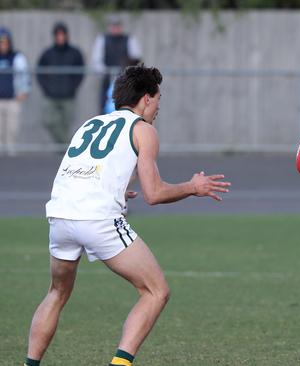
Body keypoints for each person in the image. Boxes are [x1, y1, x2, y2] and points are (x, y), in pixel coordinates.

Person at [23, 65, 231, 366]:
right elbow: (154, 194)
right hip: (98, 220)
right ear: (146, 99)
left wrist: (116, 192)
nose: (159, 107)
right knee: (156, 291)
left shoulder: (91, 123)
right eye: (159, 98)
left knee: (57, 292)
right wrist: (193, 186)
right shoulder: (143, 130)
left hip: (60, 217)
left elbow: (82, 173)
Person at [36, 22, 85, 144]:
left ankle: (63, 152)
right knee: (48, 121)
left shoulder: (75, 52)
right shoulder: (48, 53)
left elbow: (81, 72)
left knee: (66, 124)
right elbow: (39, 71)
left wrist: (73, 87)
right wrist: (46, 88)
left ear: (67, 35)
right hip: (51, 95)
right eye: (58, 35)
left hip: (68, 96)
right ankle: (66, 146)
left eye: (62, 34)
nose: (60, 37)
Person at [91, 15, 142, 113]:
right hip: (107, 82)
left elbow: (136, 59)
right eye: (113, 26)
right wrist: (106, 71)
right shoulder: (102, 39)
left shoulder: (129, 39)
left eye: (117, 26)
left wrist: (127, 72)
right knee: (105, 112)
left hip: (126, 83)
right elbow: (96, 61)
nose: (115, 28)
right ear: (109, 27)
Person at [0, 26, 30, 155]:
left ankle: (12, 154)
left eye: (5, 42)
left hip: (12, 100)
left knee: (12, 129)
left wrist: (23, 90)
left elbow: (24, 75)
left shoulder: (16, 57)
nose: (3, 45)